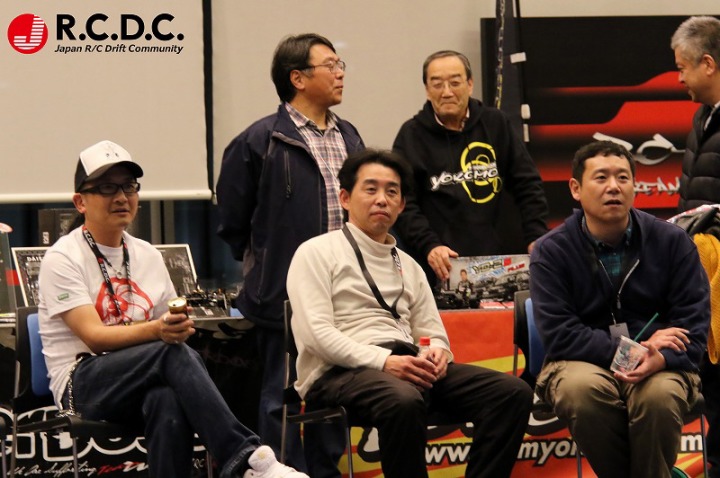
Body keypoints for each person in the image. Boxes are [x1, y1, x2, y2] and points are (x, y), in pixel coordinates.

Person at [38, 140, 307, 478]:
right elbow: (95, 337)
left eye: (129, 186)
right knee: (170, 354)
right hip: (82, 384)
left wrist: (177, 327)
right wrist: (159, 331)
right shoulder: (63, 257)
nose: (121, 197)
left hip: (141, 377)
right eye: (107, 188)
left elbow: (165, 329)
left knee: (166, 398)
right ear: (80, 201)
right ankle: (245, 459)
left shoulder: (148, 255)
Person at [287, 148, 533, 478]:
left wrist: (438, 353)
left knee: (512, 393)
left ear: (402, 205)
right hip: (336, 373)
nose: (382, 200)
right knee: (402, 399)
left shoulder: (410, 265)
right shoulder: (315, 252)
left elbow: (432, 332)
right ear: (345, 198)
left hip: (405, 366)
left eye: (392, 192)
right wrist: (384, 362)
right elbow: (316, 334)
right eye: (370, 189)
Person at [216, 33, 365, 472]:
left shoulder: (349, 135)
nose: (340, 73)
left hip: (344, 294)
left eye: (340, 64)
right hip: (281, 295)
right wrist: (268, 261)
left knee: (334, 392)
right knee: (279, 399)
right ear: (297, 78)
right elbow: (232, 222)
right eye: (330, 65)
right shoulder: (260, 140)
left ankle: (324, 471)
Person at [529, 140, 710, 478]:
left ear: (634, 186)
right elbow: (560, 335)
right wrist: (634, 351)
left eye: (623, 177)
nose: (613, 186)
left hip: (660, 364)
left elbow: (695, 326)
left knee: (659, 397)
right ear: (575, 189)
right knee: (580, 392)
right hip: (582, 363)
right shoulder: (551, 251)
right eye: (601, 177)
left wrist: (661, 357)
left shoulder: (673, 242)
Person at [392, 50, 548, 283]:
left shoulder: (496, 124)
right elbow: (403, 203)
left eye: (455, 83)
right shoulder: (411, 136)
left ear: (470, 84)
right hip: (442, 266)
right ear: (427, 90)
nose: (447, 92)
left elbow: (527, 184)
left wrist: (536, 235)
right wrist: (429, 245)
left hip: (504, 262)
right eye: (437, 84)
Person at [672, 16, 720, 476]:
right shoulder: (702, 117)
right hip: (704, 285)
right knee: (714, 392)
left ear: (708, 63)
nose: (679, 78)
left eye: (682, 67)